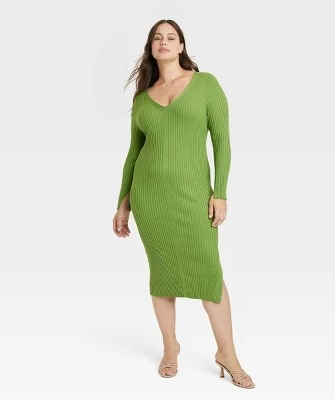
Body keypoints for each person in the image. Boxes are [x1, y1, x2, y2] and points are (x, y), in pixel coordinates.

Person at [112, 19, 255, 389]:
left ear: (180, 46)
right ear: (151, 47)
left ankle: (227, 354)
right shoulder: (143, 98)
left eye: (171, 37)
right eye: (157, 38)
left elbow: (222, 141)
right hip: (149, 199)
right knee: (162, 275)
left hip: (193, 197)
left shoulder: (205, 84)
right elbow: (133, 154)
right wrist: (123, 203)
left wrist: (220, 192)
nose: (164, 42)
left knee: (210, 275)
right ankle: (170, 347)